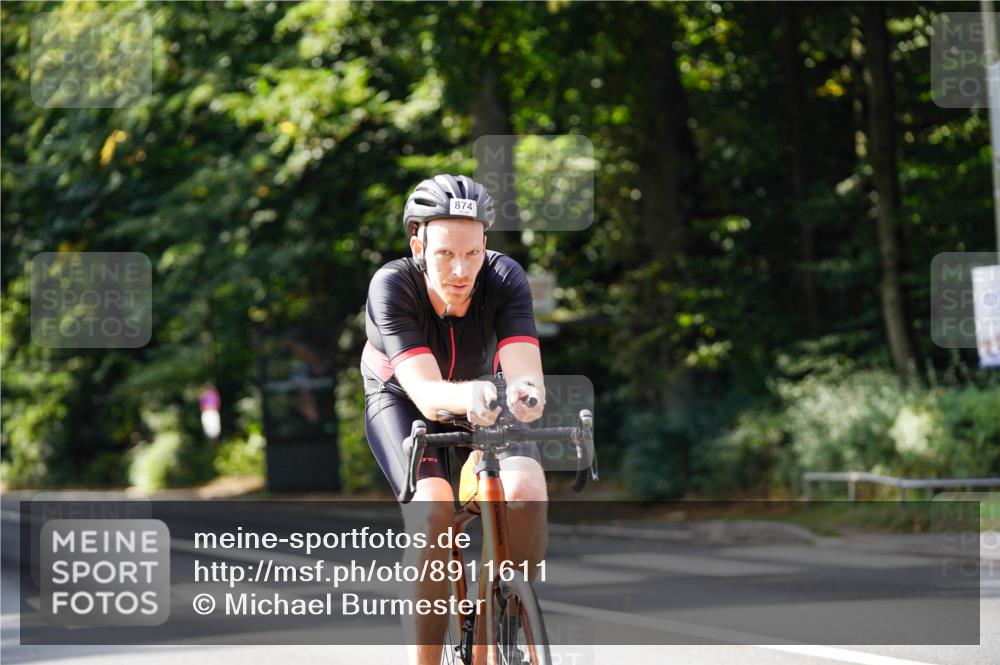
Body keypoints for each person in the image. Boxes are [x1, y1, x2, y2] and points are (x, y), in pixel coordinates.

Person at [362, 174, 548, 664]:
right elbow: (427, 395)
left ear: (485, 245)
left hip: (484, 394)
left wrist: (527, 396)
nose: (461, 270)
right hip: (403, 398)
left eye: (472, 252)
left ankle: (506, 611)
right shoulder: (392, 285)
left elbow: (526, 376)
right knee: (433, 510)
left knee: (526, 488)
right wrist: (472, 395)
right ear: (418, 246)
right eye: (445, 253)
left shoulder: (504, 277)